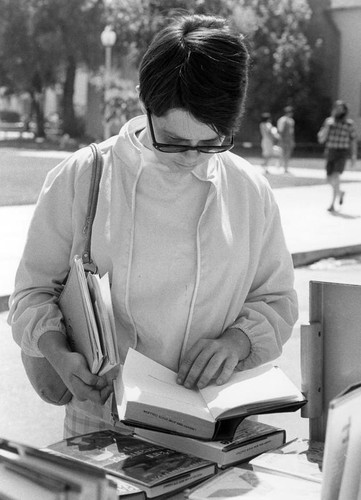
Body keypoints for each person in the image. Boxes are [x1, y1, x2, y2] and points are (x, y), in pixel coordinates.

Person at [8, 14, 298, 438]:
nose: (191, 158)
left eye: (212, 142)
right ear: (144, 101)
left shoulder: (249, 189)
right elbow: (31, 294)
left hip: (219, 424)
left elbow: (277, 300)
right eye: (174, 141)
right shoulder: (83, 176)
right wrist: (57, 353)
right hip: (104, 424)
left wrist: (235, 343)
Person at [318, 100, 358, 212]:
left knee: (336, 176)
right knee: (328, 179)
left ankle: (332, 204)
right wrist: (326, 127)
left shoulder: (349, 124)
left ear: (345, 110)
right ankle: (340, 193)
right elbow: (321, 139)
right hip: (331, 151)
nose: (339, 110)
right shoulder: (329, 122)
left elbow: (353, 140)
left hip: (342, 152)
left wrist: (354, 155)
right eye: (337, 108)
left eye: (341, 108)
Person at [277, 105, 295, 174]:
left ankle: (285, 167)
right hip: (283, 139)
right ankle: (279, 165)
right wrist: (281, 140)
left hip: (289, 139)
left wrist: (292, 140)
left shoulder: (291, 121)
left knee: (288, 153)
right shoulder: (282, 120)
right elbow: (280, 131)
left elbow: (292, 132)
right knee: (282, 153)